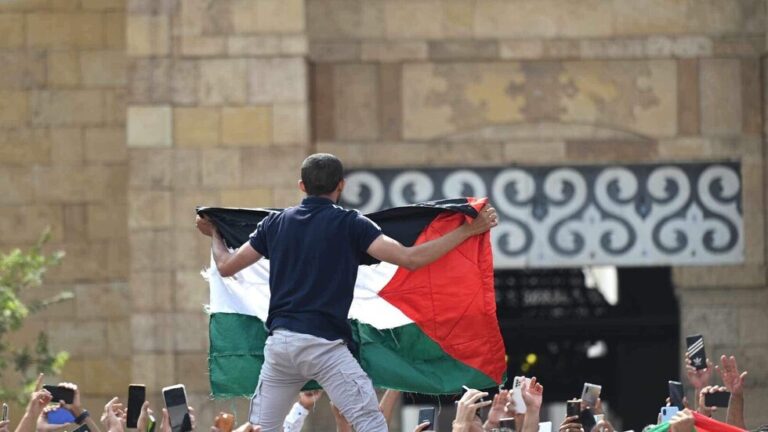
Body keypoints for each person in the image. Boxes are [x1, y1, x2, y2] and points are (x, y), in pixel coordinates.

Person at [196, 153, 498, 432]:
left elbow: (226, 266)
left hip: (281, 348)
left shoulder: (275, 223)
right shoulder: (350, 224)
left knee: (259, 429)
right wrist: (467, 231)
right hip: (324, 348)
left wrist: (216, 233)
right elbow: (411, 258)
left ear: (302, 186)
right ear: (341, 185)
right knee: (371, 426)